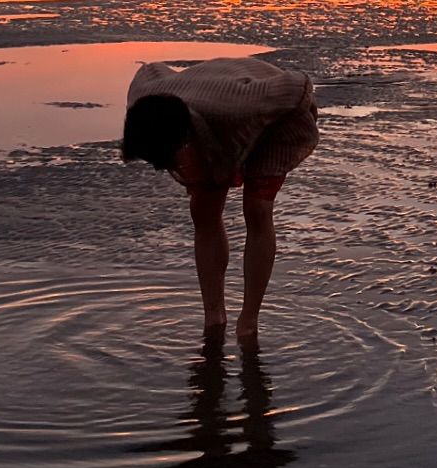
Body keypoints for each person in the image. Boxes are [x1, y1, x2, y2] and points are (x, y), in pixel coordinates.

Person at [121, 56, 319, 344]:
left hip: (273, 118)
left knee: (257, 210)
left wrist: (306, 107)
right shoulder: (144, 100)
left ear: (186, 139)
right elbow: (148, 70)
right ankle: (214, 316)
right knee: (203, 211)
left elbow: (298, 85)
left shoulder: (241, 104)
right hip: (205, 110)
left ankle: (248, 322)